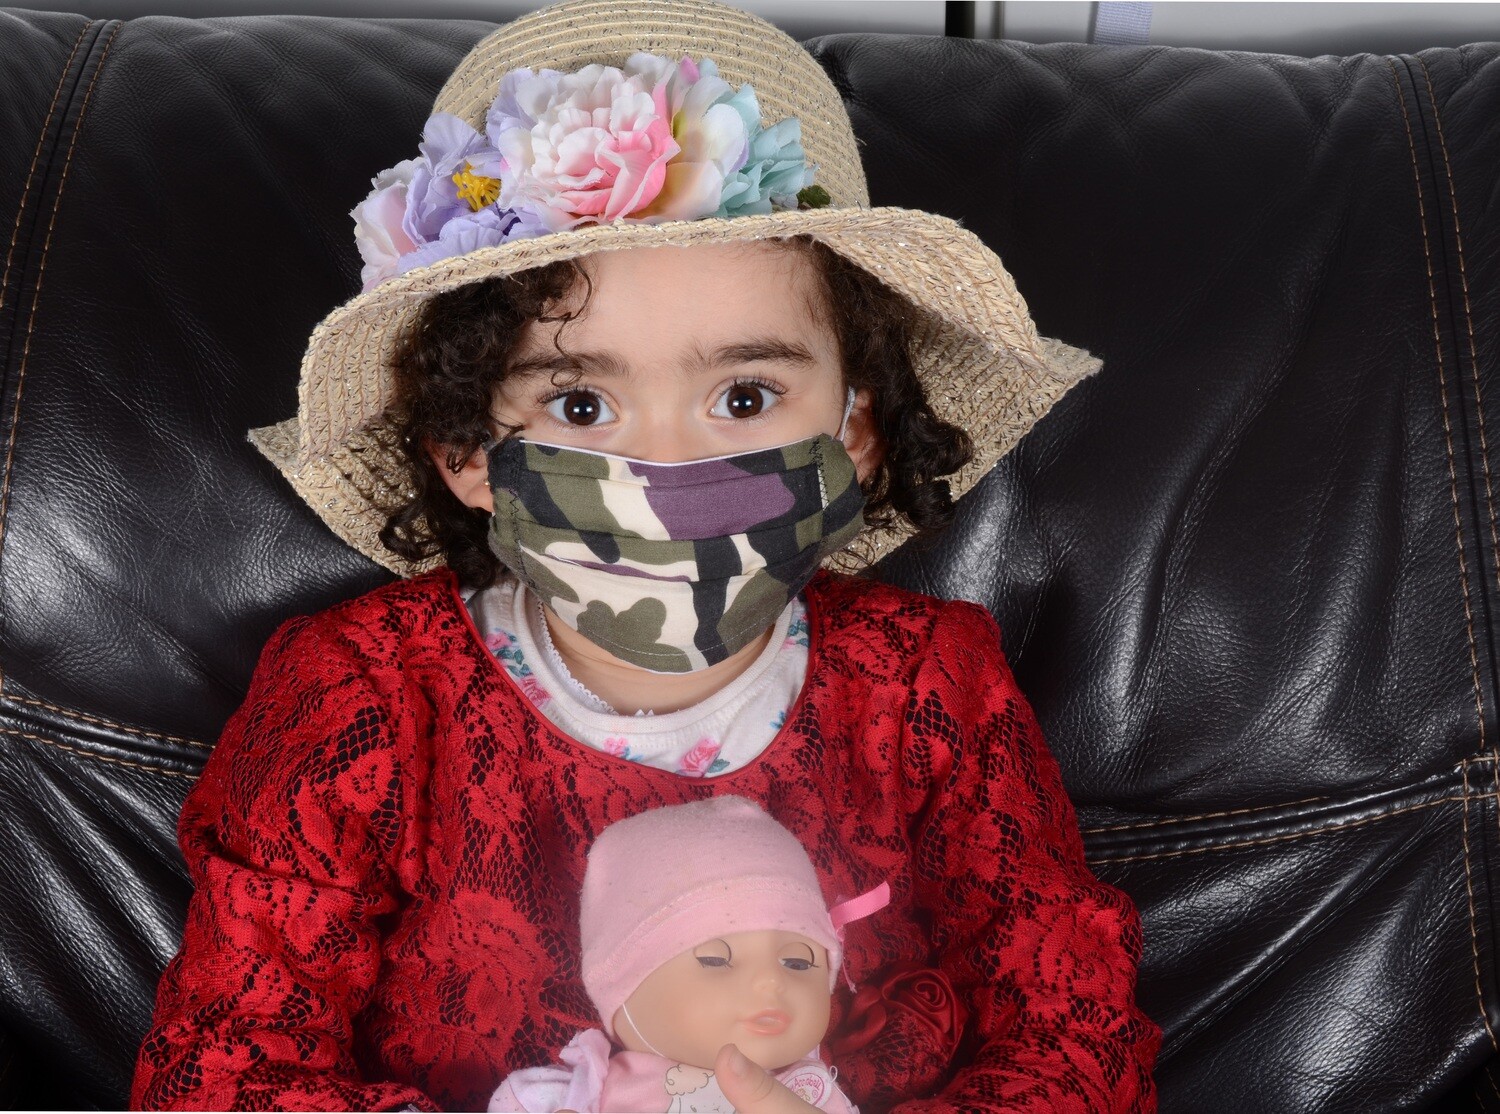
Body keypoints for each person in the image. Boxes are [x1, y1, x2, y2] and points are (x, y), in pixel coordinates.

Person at [130, 0, 1161, 1110]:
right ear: (467, 452)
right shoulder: (362, 696)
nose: (667, 467)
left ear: (855, 433)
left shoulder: (928, 686)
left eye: (745, 396)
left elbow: (1078, 1036)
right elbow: (223, 1073)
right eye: (581, 403)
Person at [489, 796, 882, 1113]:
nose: (771, 980)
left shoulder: (814, 1097)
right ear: (622, 995)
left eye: (797, 962)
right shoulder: (578, 1095)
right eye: (715, 960)